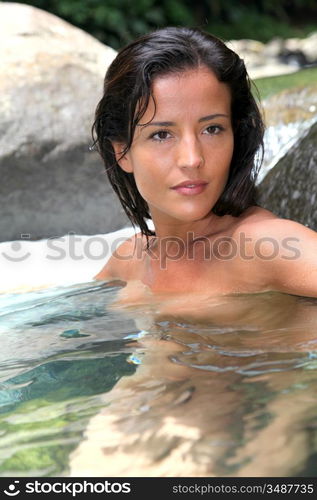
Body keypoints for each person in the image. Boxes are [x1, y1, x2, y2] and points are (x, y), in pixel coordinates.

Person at [92, 26, 317, 300]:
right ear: (122, 153)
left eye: (212, 129)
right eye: (162, 135)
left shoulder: (264, 245)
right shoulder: (130, 259)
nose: (192, 159)